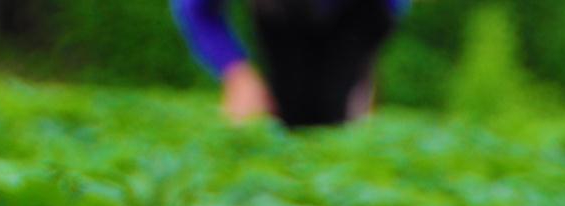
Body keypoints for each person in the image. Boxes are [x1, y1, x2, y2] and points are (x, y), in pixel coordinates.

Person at [173, 0, 411, 129]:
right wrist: (236, 73)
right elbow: (196, 10)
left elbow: (385, 14)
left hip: (356, 14)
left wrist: (361, 69)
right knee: (283, 114)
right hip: (281, 15)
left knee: (338, 114)